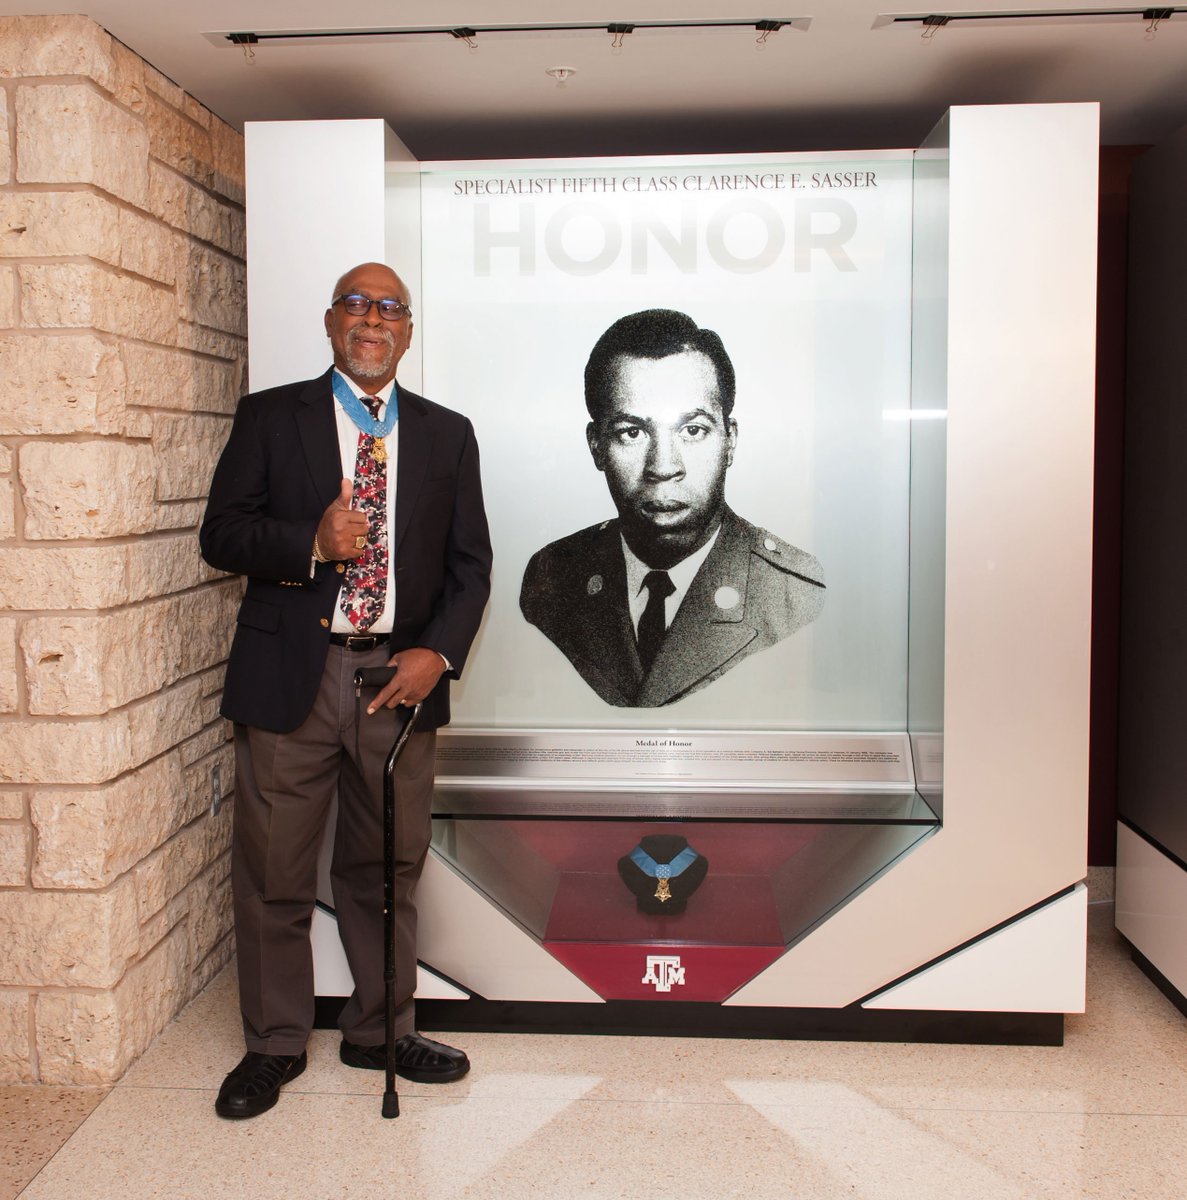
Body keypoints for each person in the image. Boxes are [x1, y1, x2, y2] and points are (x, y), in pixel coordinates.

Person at [200, 261, 492, 1119]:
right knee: (274, 868)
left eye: (390, 308)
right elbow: (221, 535)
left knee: (386, 867)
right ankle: (274, 1044)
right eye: (357, 304)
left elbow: (470, 566)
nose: (373, 319)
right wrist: (311, 543)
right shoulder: (270, 416)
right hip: (292, 673)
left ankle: (380, 1031)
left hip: (396, 678)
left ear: (408, 331)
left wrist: (437, 653)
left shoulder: (447, 434)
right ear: (332, 322)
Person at [520, 308, 823, 708]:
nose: (663, 467)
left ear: (730, 441)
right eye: (632, 432)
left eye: (692, 430)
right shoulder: (553, 578)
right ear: (596, 446)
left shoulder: (794, 594)